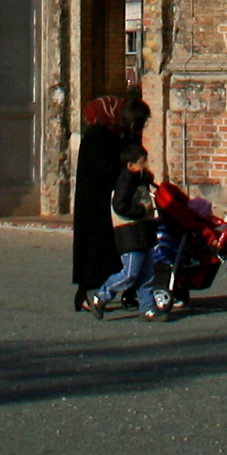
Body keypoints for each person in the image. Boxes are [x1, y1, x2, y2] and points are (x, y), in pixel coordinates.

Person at [70, 93, 148, 308]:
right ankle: (87, 293)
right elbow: (105, 169)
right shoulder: (98, 135)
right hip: (96, 202)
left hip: (118, 200)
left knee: (124, 247)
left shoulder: (122, 134)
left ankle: (127, 291)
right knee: (95, 250)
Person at [88, 139, 166, 314]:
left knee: (147, 274)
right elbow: (120, 206)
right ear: (131, 166)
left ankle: (148, 307)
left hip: (144, 232)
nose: (146, 165)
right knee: (131, 273)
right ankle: (101, 295)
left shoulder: (139, 178)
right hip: (130, 235)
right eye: (143, 163)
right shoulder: (124, 182)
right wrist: (140, 209)